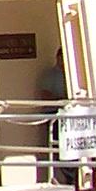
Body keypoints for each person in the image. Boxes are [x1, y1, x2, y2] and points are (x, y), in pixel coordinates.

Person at [36, 49, 68, 183]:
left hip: (69, 114)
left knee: (70, 146)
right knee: (58, 147)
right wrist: (61, 100)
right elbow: (45, 95)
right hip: (54, 113)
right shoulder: (50, 75)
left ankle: (73, 178)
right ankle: (65, 178)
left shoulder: (71, 75)